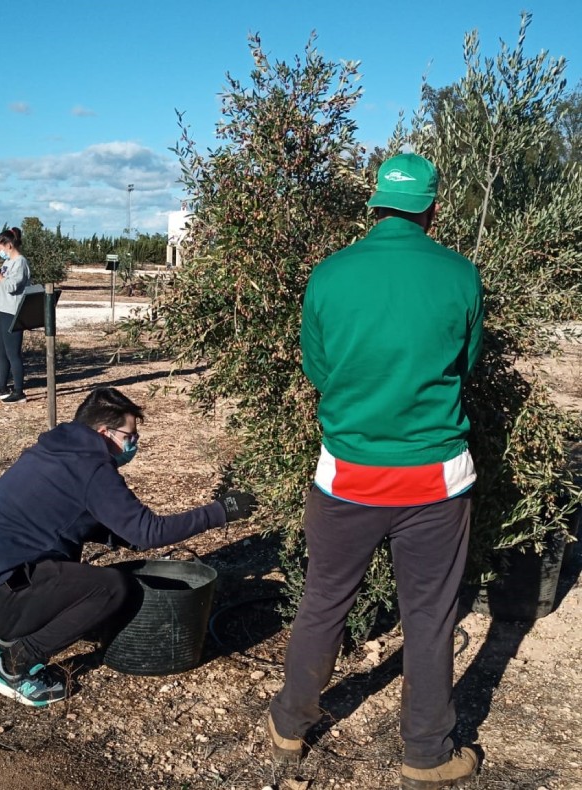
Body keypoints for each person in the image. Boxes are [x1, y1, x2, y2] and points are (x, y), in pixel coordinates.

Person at [267, 153, 484, 789]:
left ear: (374, 206)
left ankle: (288, 725)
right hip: (435, 481)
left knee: (323, 600)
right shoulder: (459, 275)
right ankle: (426, 753)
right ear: (432, 208)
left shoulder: (329, 275)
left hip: (346, 478)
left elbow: (318, 368)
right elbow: (465, 365)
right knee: (430, 616)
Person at [0, 386, 256, 706]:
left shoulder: (57, 449)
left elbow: (70, 518)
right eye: (129, 435)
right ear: (104, 432)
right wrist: (220, 511)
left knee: (63, 570)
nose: (135, 442)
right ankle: (14, 666)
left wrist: (120, 536)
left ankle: (1, 638)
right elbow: (150, 532)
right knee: (111, 588)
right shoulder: (92, 467)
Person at [0, 227, 31, 405]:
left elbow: (11, 286)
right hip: (3, 311)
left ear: (9, 245)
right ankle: (1, 387)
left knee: (13, 353)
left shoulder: (20, 262)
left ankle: (19, 391)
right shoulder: (9, 262)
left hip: (13, 312)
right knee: (1, 352)